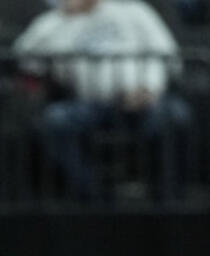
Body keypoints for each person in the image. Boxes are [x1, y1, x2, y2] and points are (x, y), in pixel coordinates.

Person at [14, 0, 191, 202]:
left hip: (145, 100)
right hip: (91, 104)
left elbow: (166, 53)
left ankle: (166, 199)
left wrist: (148, 89)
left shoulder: (133, 11)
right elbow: (24, 54)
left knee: (175, 115)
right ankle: (97, 196)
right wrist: (61, 18)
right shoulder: (56, 23)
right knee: (54, 122)